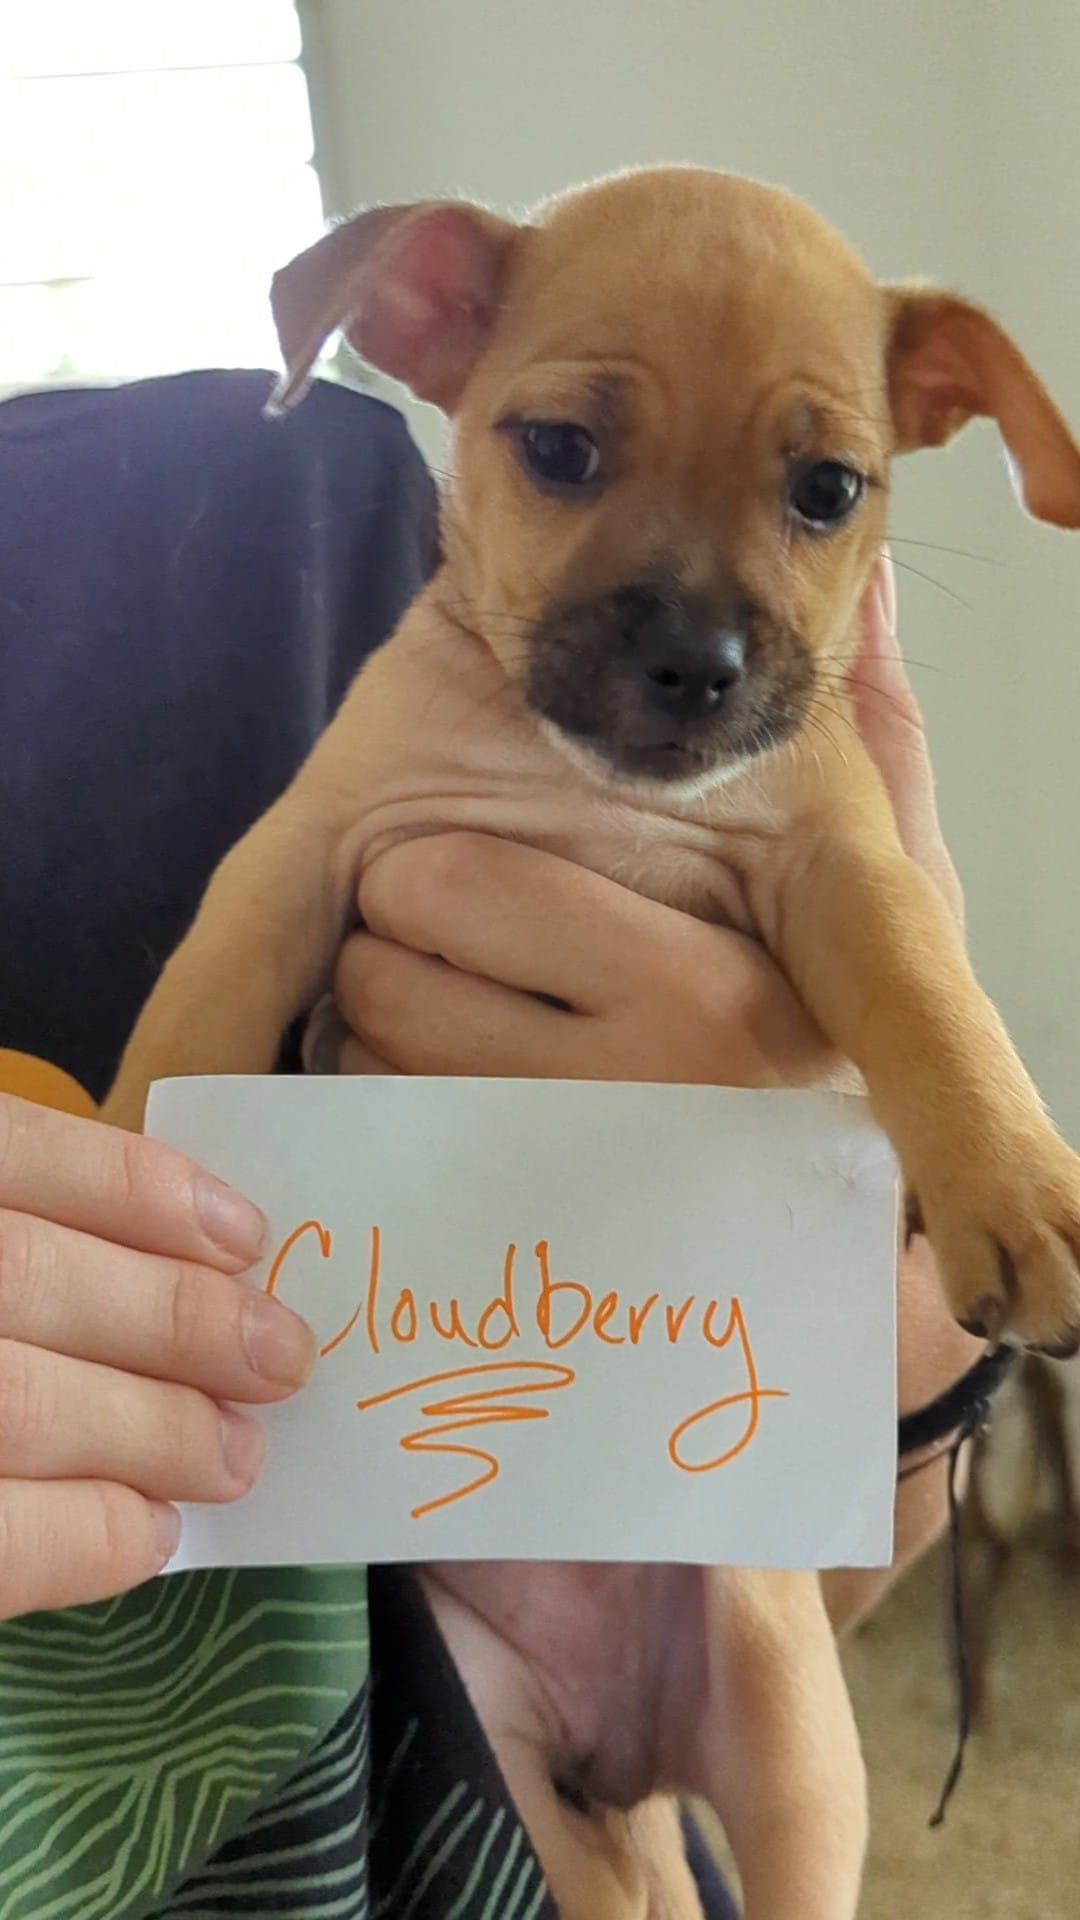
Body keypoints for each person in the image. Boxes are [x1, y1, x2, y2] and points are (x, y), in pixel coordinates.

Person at [0, 370, 986, 1917]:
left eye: (814, 495)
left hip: (555, 1723)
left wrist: (878, 1226)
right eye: (571, 455)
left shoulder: (293, 503)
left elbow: (888, 1440)